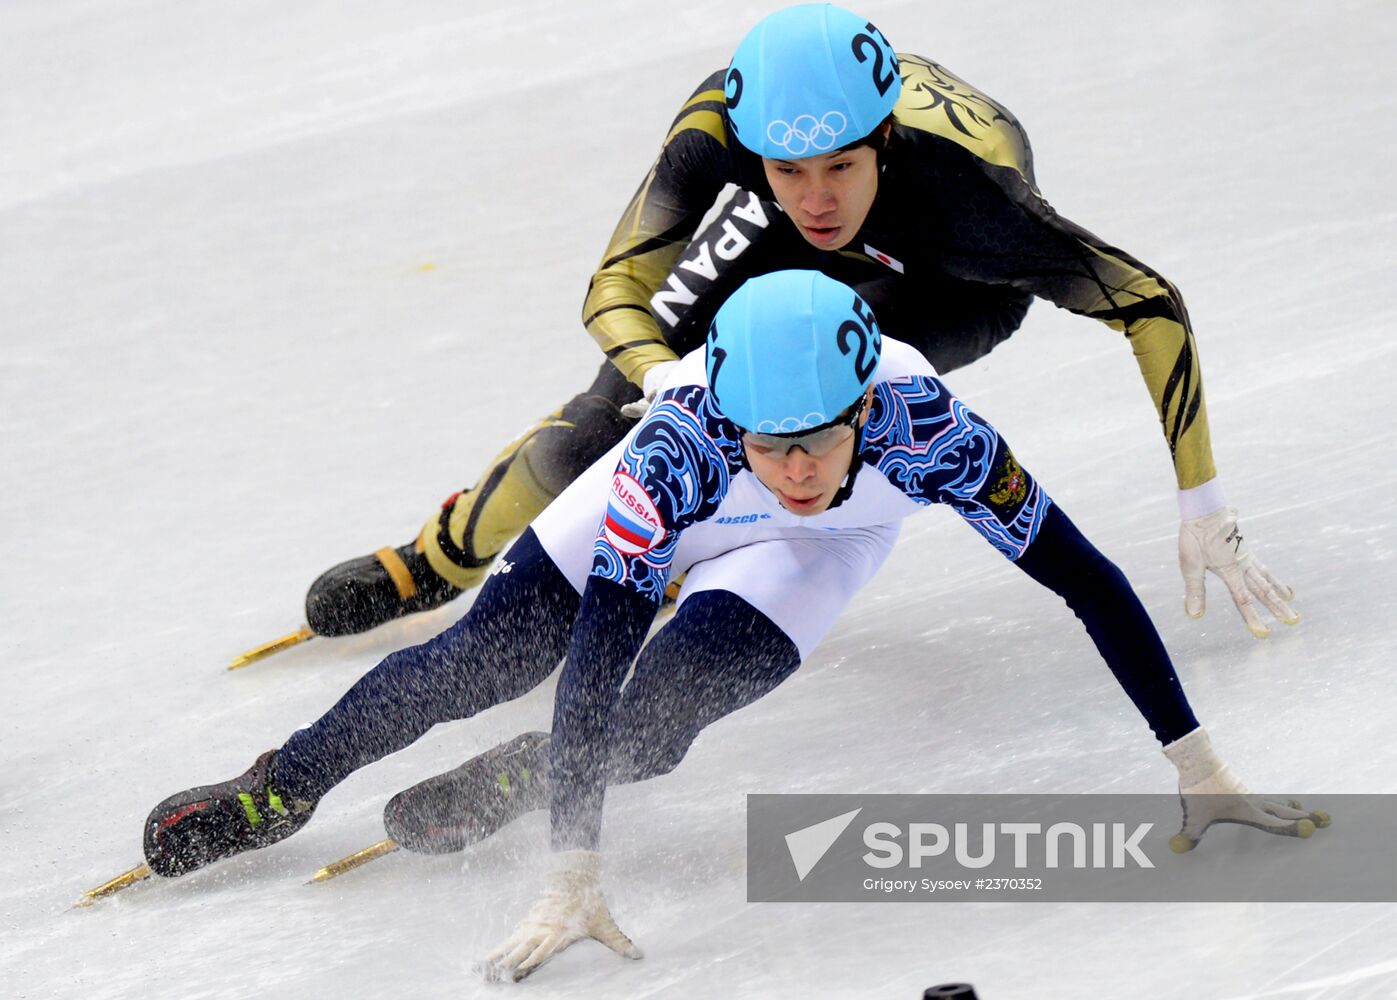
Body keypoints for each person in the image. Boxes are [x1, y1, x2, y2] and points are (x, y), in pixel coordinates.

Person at [142, 270, 1324, 982]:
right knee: (473, 661)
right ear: (730, 419)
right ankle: (280, 785)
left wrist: (1197, 764)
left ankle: (519, 776)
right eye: (771, 440)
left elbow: (1089, 584)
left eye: (816, 436)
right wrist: (577, 870)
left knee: (655, 726)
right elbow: (593, 644)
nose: (796, 463)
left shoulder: (931, 433)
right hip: (678, 500)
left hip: (812, 554)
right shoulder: (681, 444)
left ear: (868, 401)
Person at [300, 2, 1296, 649]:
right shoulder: (720, 133)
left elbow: (1145, 302)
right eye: (788, 169)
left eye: (837, 168)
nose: (816, 198)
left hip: (940, 281)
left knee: (803, 406)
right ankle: (437, 557)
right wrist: (661, 382)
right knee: (609, 414)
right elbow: (616, 290)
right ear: (753, 147)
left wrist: (1199, 498)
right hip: (770, 240)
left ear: (883, 142)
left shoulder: (966, 193)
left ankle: (691, 561)